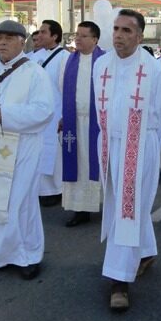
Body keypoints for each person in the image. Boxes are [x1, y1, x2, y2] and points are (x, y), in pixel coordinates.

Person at [92, 9, 161, 312]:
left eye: (127, 30)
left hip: (141, 148)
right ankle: (145, 251)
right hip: (110, 145)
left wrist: (146, 145)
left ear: (140, 36)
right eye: (116, 28)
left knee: (126, 211)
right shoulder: (101, 65)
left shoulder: (155, 71)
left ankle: (119, 281)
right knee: (123, 205)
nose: (119, 35)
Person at [0, 20, 54, 279]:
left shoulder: (35, 72)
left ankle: (29, 255)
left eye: (8, 38)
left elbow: (44, 110)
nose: (0, 42)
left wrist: (9, 114)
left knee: (19, 202)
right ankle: (3, 255)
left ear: (21, 41)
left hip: (23, 144)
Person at [60, 21, 105, 227]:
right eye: (77, 35)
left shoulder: (105, 61)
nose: (77, 39)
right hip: (74, 122)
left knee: (97, 164)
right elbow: (63, 89)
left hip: (98, 124)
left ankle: (105, 205)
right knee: (78, 164)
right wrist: (64, 115)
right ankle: (80, 208)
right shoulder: (70, 60)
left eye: (83, 36)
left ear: (95, 39)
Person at [29, 20, 70, 207]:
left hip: (56, 112)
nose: (40, 35)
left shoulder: (64, 58)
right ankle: (41, 189)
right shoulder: (34, 57)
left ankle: (56, 190)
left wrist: (64, 115)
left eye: (44, 32)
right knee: (38, 150)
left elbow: (66, 89)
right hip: (37, 112)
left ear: (54, 36)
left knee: (54, 153)